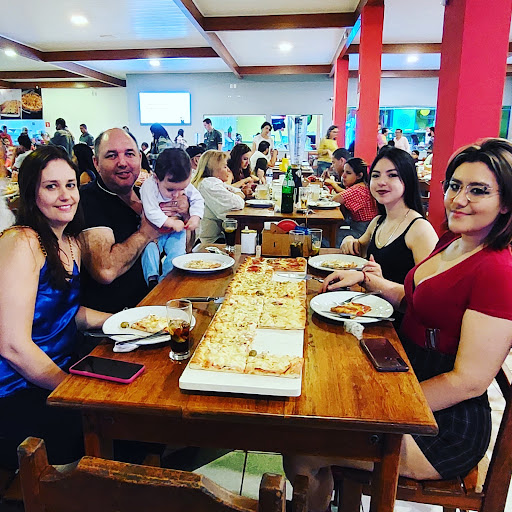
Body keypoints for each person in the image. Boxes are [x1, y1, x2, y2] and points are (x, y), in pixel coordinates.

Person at [285, 138, 512, 512]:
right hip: (403, 371)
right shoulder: (454, 241)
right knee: (313, 394)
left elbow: (469, 381)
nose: (459, 199)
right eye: (455, 186)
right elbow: (415, 299)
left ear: (505, 203)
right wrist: (367, 280)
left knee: (302, 448)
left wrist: (390, 407)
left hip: (441, 422)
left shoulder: (498, 270)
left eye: (478, 191)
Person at [0, 146, 112, 469]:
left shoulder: (71, 241)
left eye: (70, 185)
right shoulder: (22, 241)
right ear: (30, 193)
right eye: (51, 186)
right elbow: (11, 345)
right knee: (110, 427)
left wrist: (126, 320)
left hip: (58, 372)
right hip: (17, 392)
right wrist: (69, 387)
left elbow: (65, 313)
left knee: (125, 412)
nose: (66, 195)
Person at [78, 128, 189, 313]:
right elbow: (105, 270)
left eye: (129, 154)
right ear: (96, 163)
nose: (122, 162)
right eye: (111, 155)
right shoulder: (87, 200)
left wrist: (184, 215)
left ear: (139, 157)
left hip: (167, 303)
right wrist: (146, 233)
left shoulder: (148, 194)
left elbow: (185, 246)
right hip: (121, 320)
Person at [340, 147, 438, 284]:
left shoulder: (420, 229)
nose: (381, 182)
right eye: (376, 175)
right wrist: (349, 240)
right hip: (368, 297)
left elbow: (427, 292)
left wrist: (381, 282)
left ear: (408, 179)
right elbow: (358, 248)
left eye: (392, 175)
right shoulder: (378, 222)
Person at [140, 148, 204, 286]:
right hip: (153, 232)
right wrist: (171, 222)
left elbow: (198, 199)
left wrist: (195, 217)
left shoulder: (184, 184)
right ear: (156, 178)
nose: (177, 194)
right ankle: (152, 279)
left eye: (182, 189)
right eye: (170, 189)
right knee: (149, 250)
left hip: (176, 231)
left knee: (177, 251)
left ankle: (168, 279)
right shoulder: (149, 186)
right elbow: (151, 211)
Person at [192, 150, 245, 244]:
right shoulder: (209, 184)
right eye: (225, 166)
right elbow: (238, 203)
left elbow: (240, 192)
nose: (228, 170)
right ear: (214, 169)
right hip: (207, 242)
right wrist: (236, 195)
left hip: (213, 237)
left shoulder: (211, 182)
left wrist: (236, 195)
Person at [329, 157, 378, 241]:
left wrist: (333, 185)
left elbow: (334, 200)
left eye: (348, 173)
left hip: (362, 233)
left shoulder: (358, 189)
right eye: (343, 171)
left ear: (359, 175)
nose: (343, 176)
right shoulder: (363, 185)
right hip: (364, 229)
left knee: (326, 236)